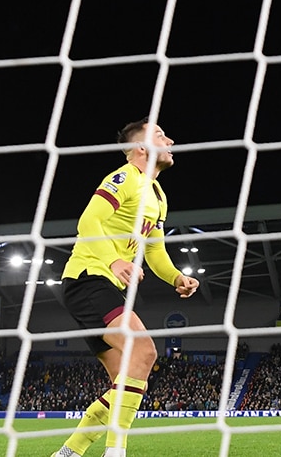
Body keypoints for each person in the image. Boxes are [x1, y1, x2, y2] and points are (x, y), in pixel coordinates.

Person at [53, 119, 200, 457]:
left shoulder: (158, 195)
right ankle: (115, 451)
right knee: (144, 351)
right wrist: (113, 261)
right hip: (88, 277)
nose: (171, 140)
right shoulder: (124, 178)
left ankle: (69, 453)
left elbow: (155, 251)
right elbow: (88, 221)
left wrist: (177, 277)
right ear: (141, 148)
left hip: (102, 285)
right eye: (161, 135)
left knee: (126, 382)